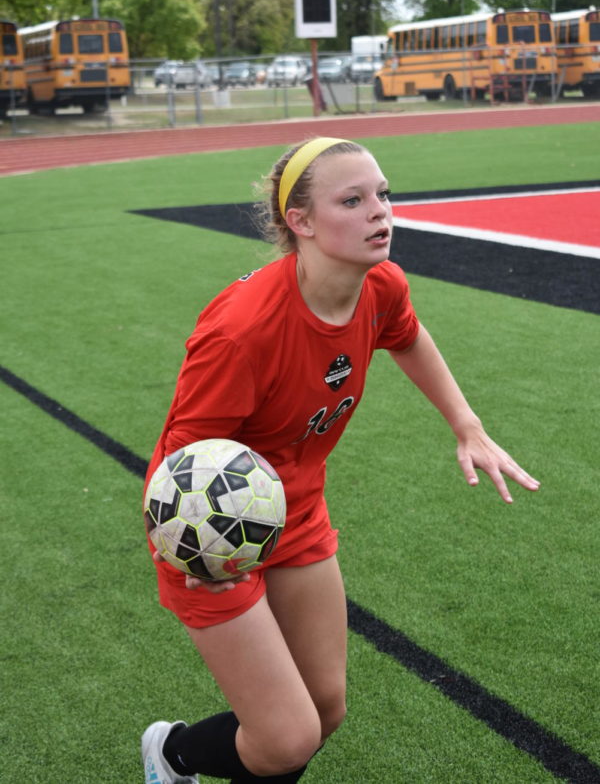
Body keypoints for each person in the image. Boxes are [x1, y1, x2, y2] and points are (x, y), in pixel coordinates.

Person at [141, 136, 540, 784]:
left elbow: (407, 334)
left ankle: (174, 756)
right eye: (352, 200)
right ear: (300, 222)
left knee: (323, 711)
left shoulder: (380, 284)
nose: (379, 212)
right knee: (288, 737)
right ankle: (172, 756)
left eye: (382, 194)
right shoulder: (241, 331)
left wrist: (467, 425)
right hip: (209, 533)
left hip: (296, 511)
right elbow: (182, 470)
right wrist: (199, 558)